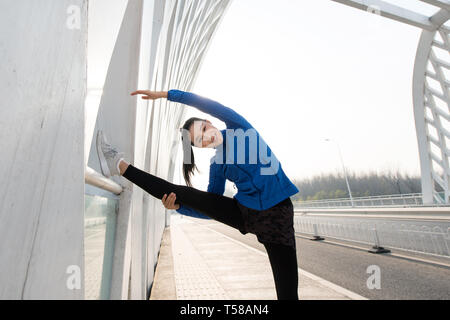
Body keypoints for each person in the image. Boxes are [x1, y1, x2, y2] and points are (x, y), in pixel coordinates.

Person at [96, 89, 300, 300]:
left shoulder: (239, 127)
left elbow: (205, 103)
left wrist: (167, 95)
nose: (207, 137)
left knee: (287, 295)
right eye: (200, 141)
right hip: (245, 213)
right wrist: (180, 207)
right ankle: (118, 165)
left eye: (204, 129)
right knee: (181, 193)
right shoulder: (217, 166)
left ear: (209, 121)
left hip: (278, 217)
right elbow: (210, 207)